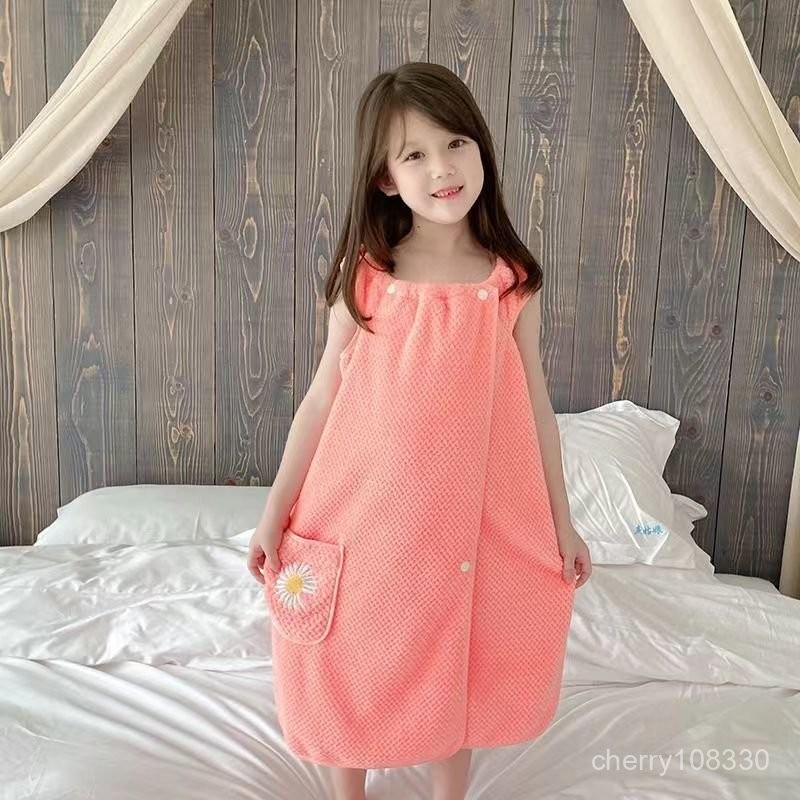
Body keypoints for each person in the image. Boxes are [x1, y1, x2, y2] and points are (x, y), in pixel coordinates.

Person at [247, 61, 592, 800]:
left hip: (471, 516)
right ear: (385, 179)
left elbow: (536, 405)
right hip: (364, 510)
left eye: (456, 143)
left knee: (461, 647)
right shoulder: (368, 274)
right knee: (353, 647)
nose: (442, 168)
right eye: (415, 154)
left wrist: (562, 525)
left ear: (481, 149)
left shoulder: (509, 279)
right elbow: (321, 396)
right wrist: (274, 514)